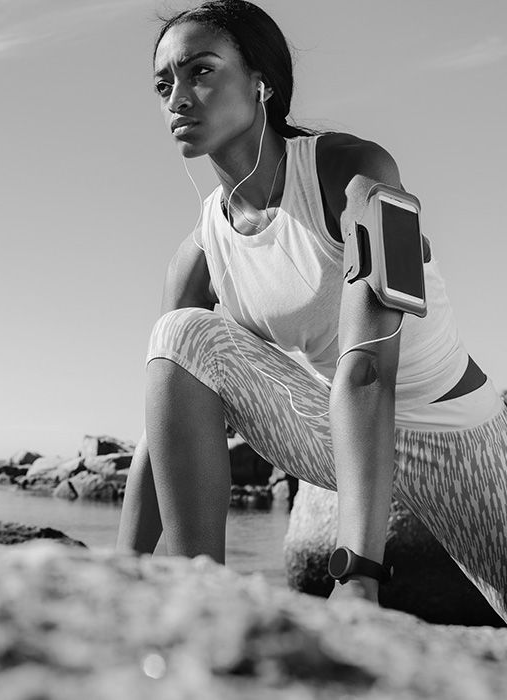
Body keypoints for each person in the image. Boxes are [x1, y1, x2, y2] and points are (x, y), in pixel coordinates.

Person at [115, 0, 507, 621]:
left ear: (262, 83)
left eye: (201, 72)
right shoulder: (198, 253)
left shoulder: (356, 172)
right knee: (180, 333)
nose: (177, 98)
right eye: (164, 84)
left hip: (457, 438)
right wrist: (119, 574)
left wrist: (360, 575)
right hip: (333, 436)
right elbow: (163, 414)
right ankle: (199, 603)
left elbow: (368, 370)